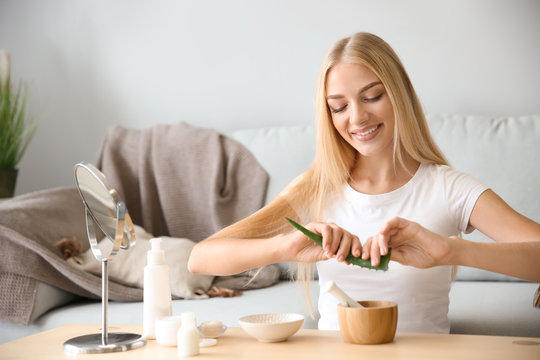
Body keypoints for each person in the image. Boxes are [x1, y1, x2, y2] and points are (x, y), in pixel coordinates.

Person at [188, 32, 540, 333]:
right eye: (339, 107)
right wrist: (284, 248)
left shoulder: (448, 188)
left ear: (399, 95)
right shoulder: (316, 187)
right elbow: (200, 260)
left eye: (372, 96)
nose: (357, 117)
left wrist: (449, 251)